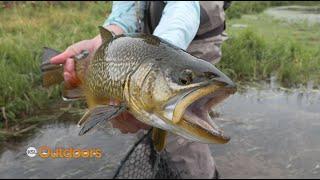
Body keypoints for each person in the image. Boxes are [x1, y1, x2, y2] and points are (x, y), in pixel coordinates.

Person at [51, 1, 229, 179]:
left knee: (180, 133)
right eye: (183, 80)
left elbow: (183, 6)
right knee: (144, 116)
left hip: (192, 29)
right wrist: (115, 27)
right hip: (149, 43)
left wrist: (162, 47)